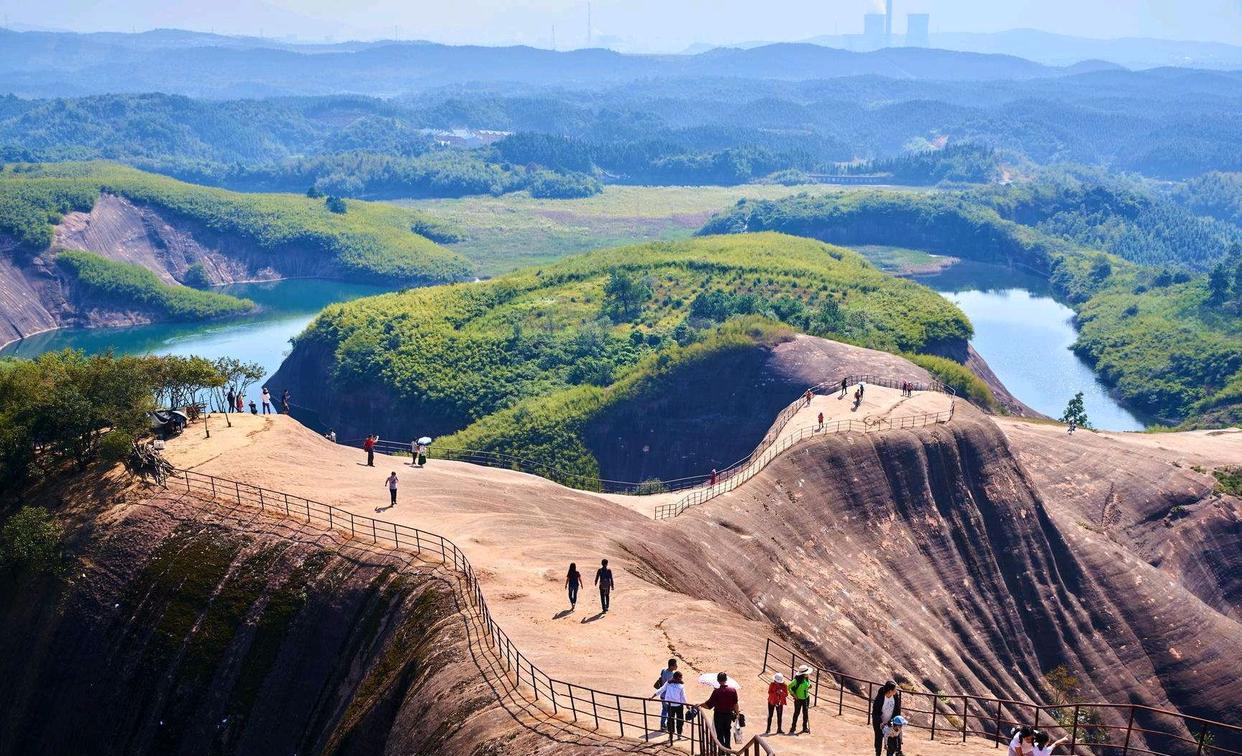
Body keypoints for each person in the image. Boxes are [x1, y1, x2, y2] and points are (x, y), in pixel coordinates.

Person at [700, 672, 739, 747]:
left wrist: (700, 705)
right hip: (728, 715)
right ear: (726, 679)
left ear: (718, 680)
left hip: (718, 716)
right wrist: (737, 714)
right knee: (727, 732)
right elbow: (735, 704)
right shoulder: (733, 690)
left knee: (719, 734)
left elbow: (708, 705)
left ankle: (722, 750)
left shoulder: (716, 692)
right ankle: (728, 750)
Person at [651, 670, 689, 739]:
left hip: (670, 705)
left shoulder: (668, 683)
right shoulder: (680, 686)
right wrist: (686, 704)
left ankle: (671, 734)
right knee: (679, 720)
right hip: (678, 705)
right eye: (680, 678)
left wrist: (653, 696)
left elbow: (661, 690)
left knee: (670, 720)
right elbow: (683, 696)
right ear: (678, 678)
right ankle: (678, 735)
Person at [872, 680, 902, 756]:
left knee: (891, 743)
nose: (896, 691)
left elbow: (897, 709)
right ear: (890, 691)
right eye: (895, 689)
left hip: (890, 723)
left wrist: (894, 721)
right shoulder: (880, 697)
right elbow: (875, 712)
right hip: (879, 723)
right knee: (879, 740)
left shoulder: (895, 695)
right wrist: (881, 722)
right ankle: (877, 754)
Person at [653, 658, 679, 730]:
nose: (676, 666)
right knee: (669, 711)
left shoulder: (663, 670)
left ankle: (662, 725)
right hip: (668, 696)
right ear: (671, 666)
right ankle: (666, 725)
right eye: (675, 665)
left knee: (664, 710)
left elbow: (661, 678)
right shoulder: (673, 675)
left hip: (662, 695)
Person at [788, 665, 812, 735]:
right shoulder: (796, 680)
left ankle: (804, 727)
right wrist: (794, 695)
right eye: (807, 673)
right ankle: (793, 727)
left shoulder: (807, 678)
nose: (808, 674)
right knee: (796, 713)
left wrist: (809, 687)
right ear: (803, 674)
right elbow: (788, 687)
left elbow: (807, 686)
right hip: (798, 699)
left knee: (805, 713)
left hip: (806, 698)